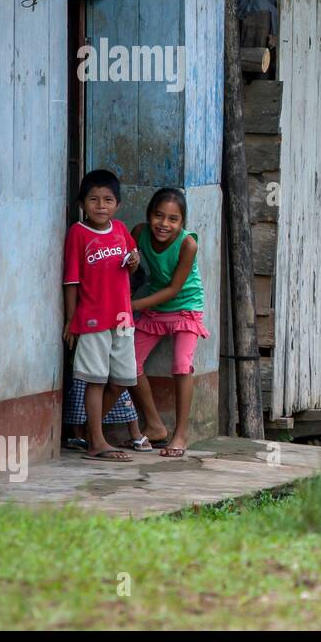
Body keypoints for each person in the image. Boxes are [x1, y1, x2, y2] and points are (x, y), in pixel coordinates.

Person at [63, 169, 140, 462]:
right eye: (93, 199)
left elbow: (132, 262)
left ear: (117, 204)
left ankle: (87, 430)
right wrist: (71, 319)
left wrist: (134, 261)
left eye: (108, 200)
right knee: (95, 380)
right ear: (83, 203)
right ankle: (96, 441)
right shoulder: (78, 234)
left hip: (123, 319)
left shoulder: (120, 229)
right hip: (93, 318)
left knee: (121, 379)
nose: (100, 205)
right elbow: (71, 280)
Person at [130, 188, 209, 459]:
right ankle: (154, 424)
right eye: (158, 216)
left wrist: (133, 306)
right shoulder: (139, 233)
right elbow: (128, 265)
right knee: (129, 362)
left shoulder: (188, 244)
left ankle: (181, 433)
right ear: (149, 215)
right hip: (155, 304)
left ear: (182, 223)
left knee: (181, 365)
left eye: (173, 219)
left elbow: (175, 288)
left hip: (185, 306)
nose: (164, 224)